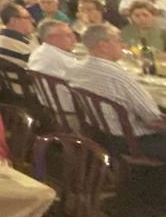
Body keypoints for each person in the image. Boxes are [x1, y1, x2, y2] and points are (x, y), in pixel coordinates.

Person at [66, 24, 166, 159]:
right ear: (103, 46)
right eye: (118, 41)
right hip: (131, 141)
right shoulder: (117, 76)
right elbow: (153, 119)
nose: (123, 45)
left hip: (99, 134)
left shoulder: (77, 68)